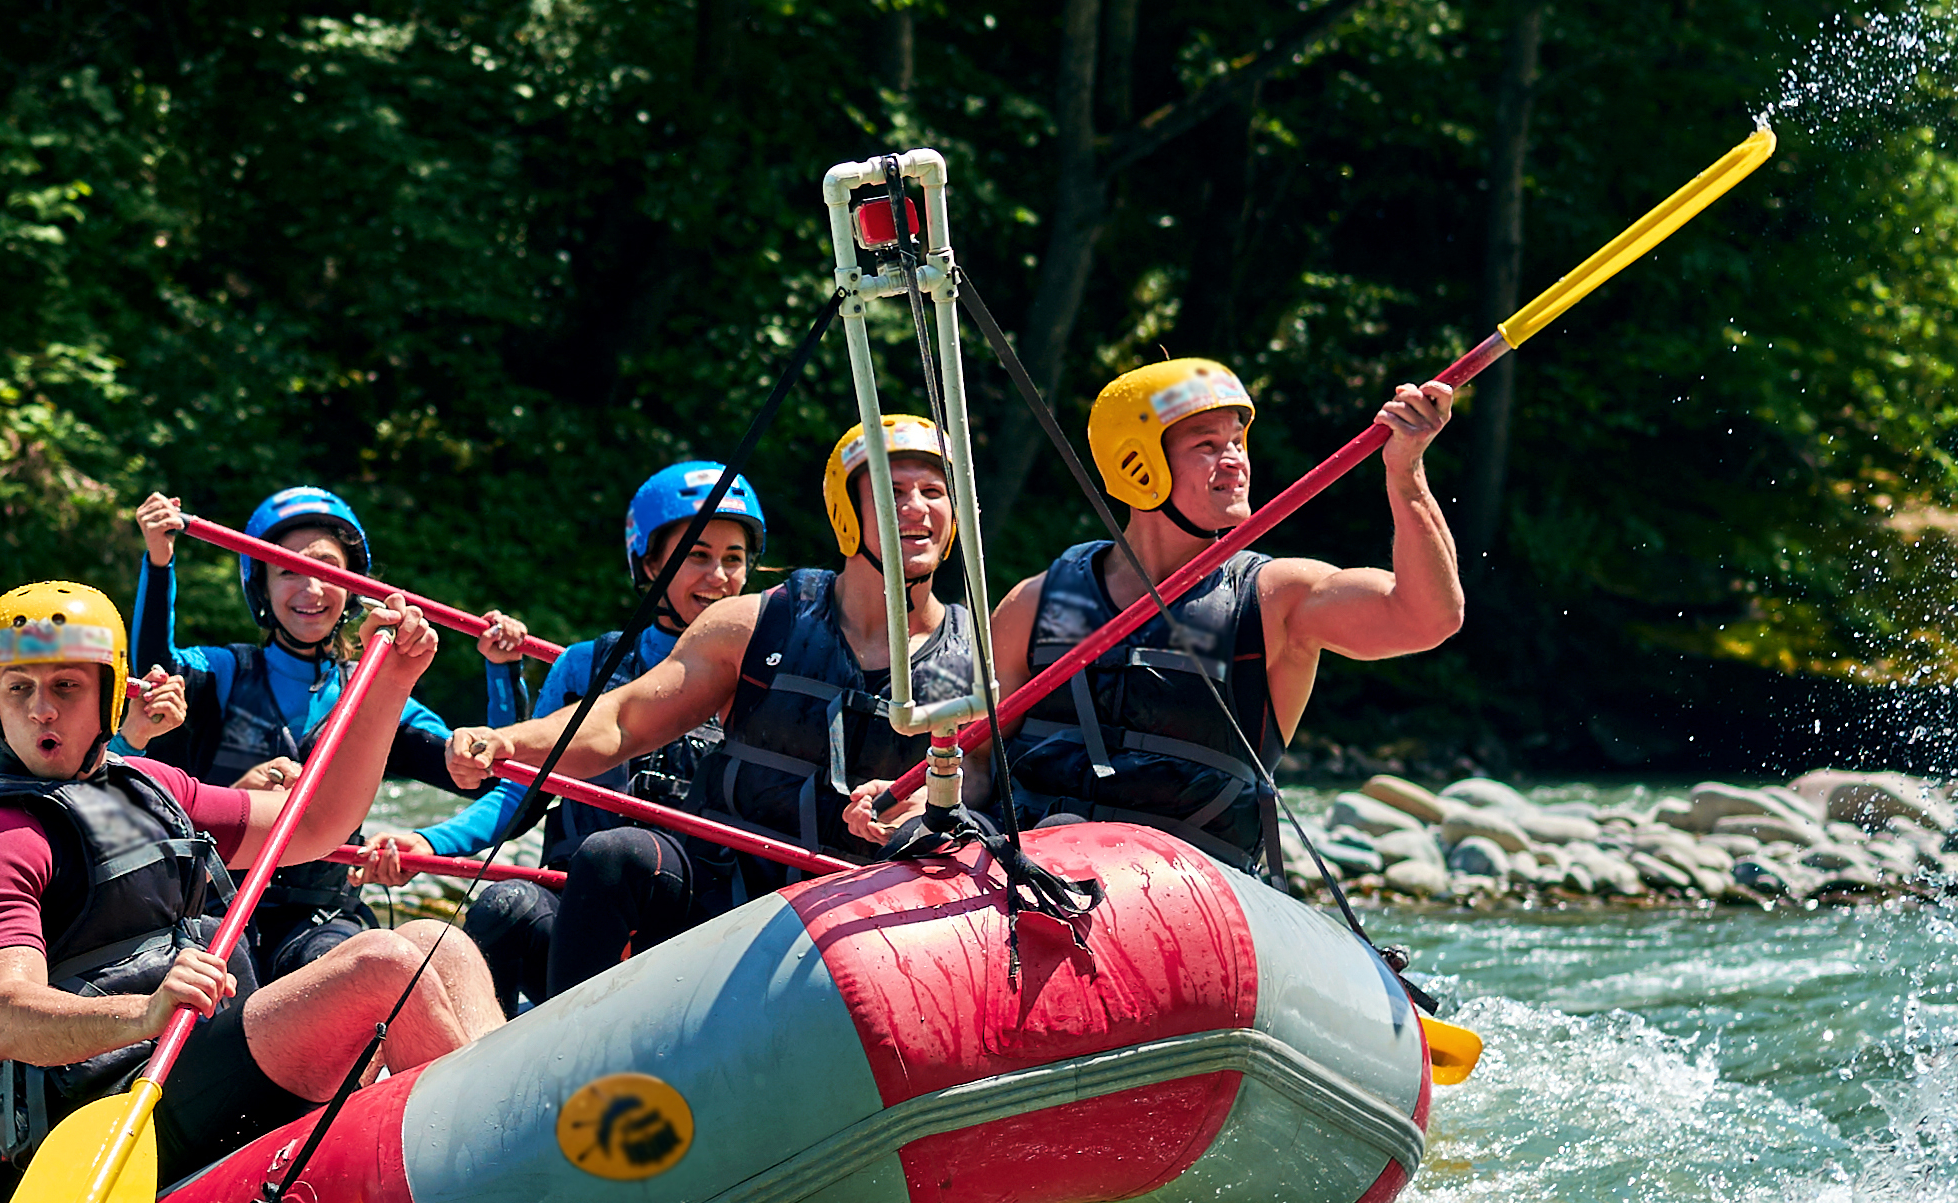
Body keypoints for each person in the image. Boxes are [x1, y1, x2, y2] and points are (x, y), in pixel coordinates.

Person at [0, 579, 501, 1203]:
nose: (41, 710)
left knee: (441, 944)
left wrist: (393, 682)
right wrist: (146, 1013)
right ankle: (492, 1177)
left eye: (65, 687)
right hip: (108, 1102)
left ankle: (510, 1123)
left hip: (198, 1049)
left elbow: (318, 822)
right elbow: (4, 1018)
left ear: (108, 695)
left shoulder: (150, 786)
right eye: (18, 688)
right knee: (381, 965)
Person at [986, 357, 1463, 875]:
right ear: (1137, 465)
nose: (1235, 460)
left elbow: (1426, 618)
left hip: (1190, 896)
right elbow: (970, 758)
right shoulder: (1036, 603)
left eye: (1237, 442)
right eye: (1207, 447)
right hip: (1035, 878)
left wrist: (1406, 473)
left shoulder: (1276, 598)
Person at [447, 420, 976, 861]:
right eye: (892, 492)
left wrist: (925, 806)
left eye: (933, 493)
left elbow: (990, 784)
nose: (914, 507)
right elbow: (619, 724)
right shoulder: (742, 627)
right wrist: (507, 740)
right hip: (720, 886)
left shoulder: (978, 651)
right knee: (605, 861)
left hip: (874, 904)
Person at [381, 459, 768, 1001]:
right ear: (651, 564)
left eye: (734, 559)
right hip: (580, 909)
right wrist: (427, 842)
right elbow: (518, 797)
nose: (719, 577)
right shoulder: (586, 668)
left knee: (624, 859)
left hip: (693, 916)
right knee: (504, 904)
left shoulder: (765, 679)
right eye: (696, 556)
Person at [124, 485, 503, 972]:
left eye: (326, 570)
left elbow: (496, 782)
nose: (311, 588)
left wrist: (431, 843)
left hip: (324, 919)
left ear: (351, 587)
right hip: (212, 910)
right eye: (288, 571)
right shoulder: (221, 672)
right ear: (260, 584)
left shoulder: (379, 698)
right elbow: (155, 675)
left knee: (336, 964)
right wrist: (159, 561)